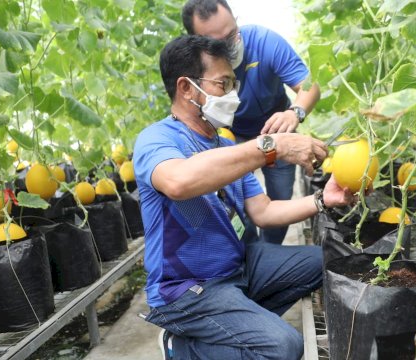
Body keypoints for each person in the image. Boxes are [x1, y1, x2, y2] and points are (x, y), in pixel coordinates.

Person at [133, 35, 353, 360]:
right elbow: (179, 181)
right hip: (189, 288)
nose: (233, 95)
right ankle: (184, 348)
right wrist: (273, 146)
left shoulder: (226, 147)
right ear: (186, 88)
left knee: (330, 264)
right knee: (284, 346)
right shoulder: (156, 139)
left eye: (234, 83)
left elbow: (263, 211)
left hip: (239, 267)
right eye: (223, 84)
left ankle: (236, 328)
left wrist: (322, 201)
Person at [182, 0, 321, 244]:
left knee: (281, 199)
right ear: (196, 42)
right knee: (235, 201)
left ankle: (269, 251)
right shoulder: (194, 68)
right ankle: (249, 251)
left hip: (276, 129)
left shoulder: (264, 42)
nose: (231, 44)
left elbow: (310, 88)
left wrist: (294, 113)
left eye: (232, 33)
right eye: (219, 43)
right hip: (231, 137)